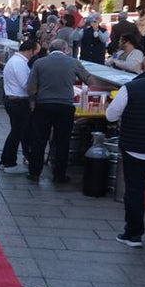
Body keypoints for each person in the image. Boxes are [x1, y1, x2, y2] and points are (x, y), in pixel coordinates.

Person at [26, 38, 92, 184]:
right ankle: (59, 175)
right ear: (66, 49)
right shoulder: (73, 62)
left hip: (43, 105)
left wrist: (33, 101)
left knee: (38, 140)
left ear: (50, 49)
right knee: (62, 141)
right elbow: (89, 80)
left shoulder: (39, 63)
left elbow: (31, 87)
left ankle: (34, 172)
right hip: (65, 107)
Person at [106, 53, 145, 247]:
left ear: (142, 66)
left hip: (134, 147)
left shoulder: (131, 88)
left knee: (134, 190)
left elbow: (110, 116)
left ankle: (133, 233)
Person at [0, 38, 40, 174]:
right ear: (29, 51)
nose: (36, 56)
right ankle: (8, 162)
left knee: (18, 132)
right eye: (35, 52)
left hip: (14, 100)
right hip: (18, 102)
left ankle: (9, 160)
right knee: (17, 132)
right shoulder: (19, 63)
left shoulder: (17, 61)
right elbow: (26, 84)